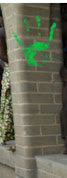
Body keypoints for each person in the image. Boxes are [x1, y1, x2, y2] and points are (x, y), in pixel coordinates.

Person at [0, 13, 14, 146]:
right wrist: (16, 63)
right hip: (10, 68)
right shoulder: (2, 32)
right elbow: (3, 55)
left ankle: (8, 134)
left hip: (11, 68)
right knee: (8, 100)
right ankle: (5, 135)